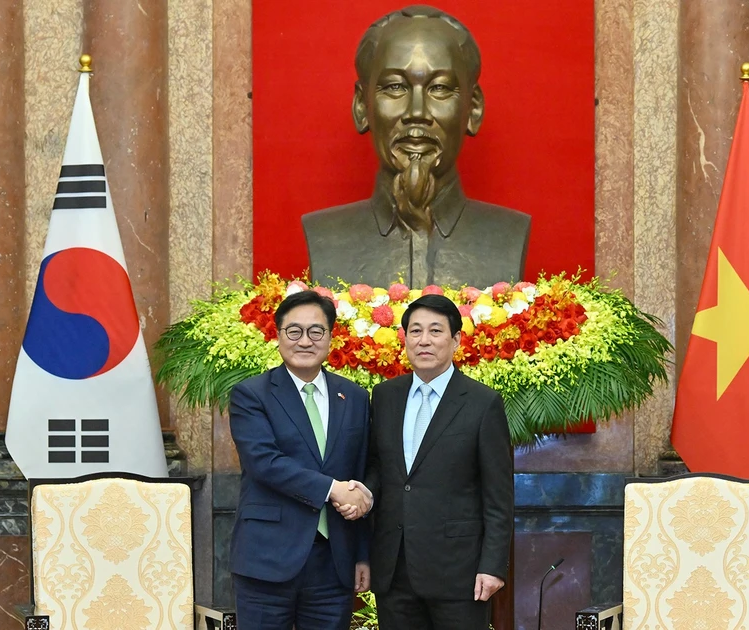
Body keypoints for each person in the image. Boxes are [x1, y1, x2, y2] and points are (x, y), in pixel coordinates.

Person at [302, 5, 531, 288]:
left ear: (472, 109)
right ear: (362, 106)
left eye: (440, 88)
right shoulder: (325, 235)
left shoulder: (509, 234)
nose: (417, 112)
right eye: (395, 87)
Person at [359, 294, 514, 629]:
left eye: (435, 331)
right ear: (404, 340)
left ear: (456, 340)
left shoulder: (482, 403)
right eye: (415, 331)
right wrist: (362, 495)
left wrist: (493, 565)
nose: (424, 340)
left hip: (459, 572)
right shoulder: (385, 396)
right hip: (394, 567)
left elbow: (498, 495)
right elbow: (378, 468)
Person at [228, 290, 374, 630]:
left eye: (316, 331)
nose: (305, 341)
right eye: (294, 331)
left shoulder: (353, 396)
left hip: (334, 561)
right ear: (278, 336)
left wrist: (362, 553)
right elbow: (264, 462)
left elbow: (362, 471)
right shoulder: (252, 394)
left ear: (330, 337)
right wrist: (332, 490)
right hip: (267, 559)